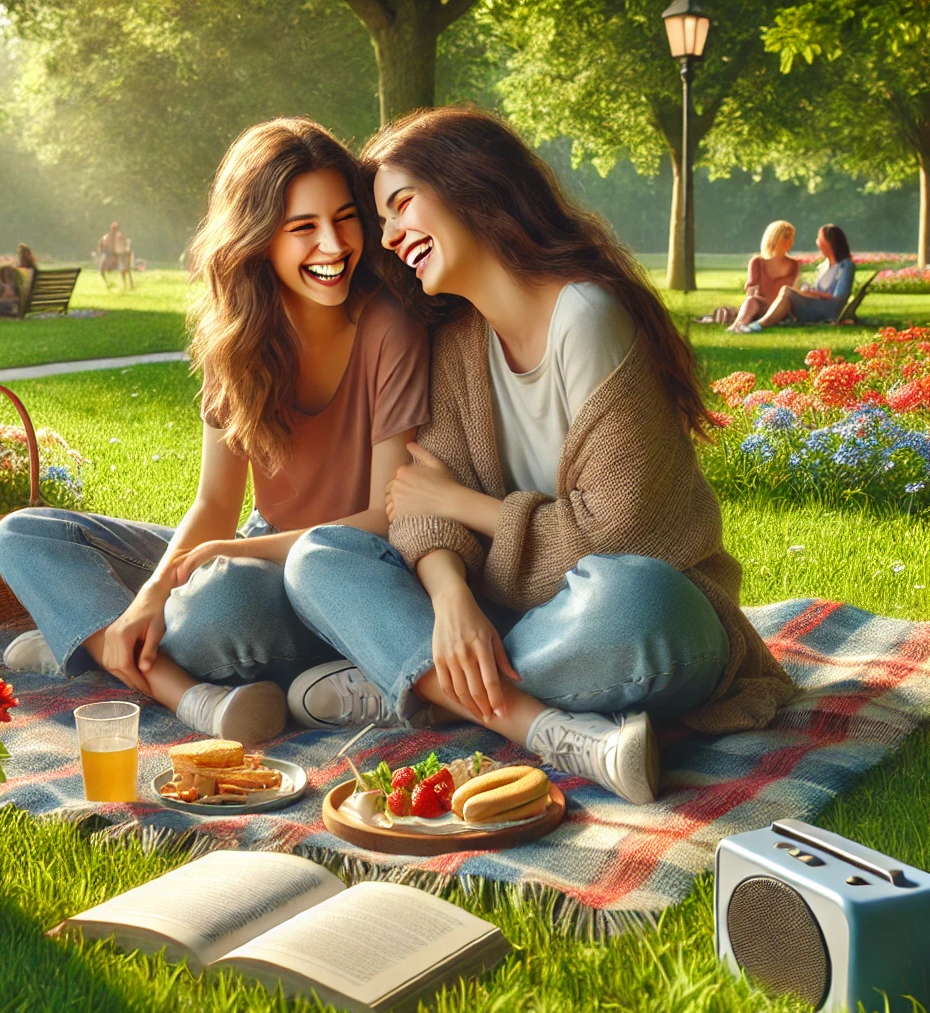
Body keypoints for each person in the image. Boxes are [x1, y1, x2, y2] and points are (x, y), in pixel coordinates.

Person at [282, 107, 795, 805]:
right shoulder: (457, 339)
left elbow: (618, 535)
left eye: (402, 204)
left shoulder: (587, 317)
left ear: (472, 185)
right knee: (321, 556)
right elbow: (415, 511)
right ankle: (547, 727)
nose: (393, 236)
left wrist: (465, 507)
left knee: (630, 600)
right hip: (516, 623)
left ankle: (409, 679)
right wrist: (452, 596)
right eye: (384, 222)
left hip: (652, 619)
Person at [0, 117, 431, 748]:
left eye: (344, 218)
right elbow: (216, 506)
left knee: (216, 613)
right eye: (303, 228)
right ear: (257, 240)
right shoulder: (240, 337)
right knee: (24, 535)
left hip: (341, 574)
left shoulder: (391, 327)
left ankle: (88, 638)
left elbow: (384, 519)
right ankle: (154, 667)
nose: (333, 245)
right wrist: (147, 597)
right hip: (249, 552)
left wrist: (226, 559)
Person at [742, 224, 855, 332]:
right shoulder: (823, 266)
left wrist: (814, 293)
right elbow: (817, 292)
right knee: (788, 292)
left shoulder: (846, 266)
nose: (817, 242)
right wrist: (807, 292)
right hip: (816, 304)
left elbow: (839, 297)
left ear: (829, 243)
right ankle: (758, 321)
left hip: (830, 310)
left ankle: (761, 324)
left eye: (819, 239)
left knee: (787, 290)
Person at [726, 221, 799, 331]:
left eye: (791, 236)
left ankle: (746, 325)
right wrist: (750, 301)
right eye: (785, 236)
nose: (790, 240)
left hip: (782, 308)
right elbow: (751, 288)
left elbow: (794, 290)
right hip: (762, 306)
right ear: (774, 238)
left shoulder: (793, 264)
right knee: (751, 300)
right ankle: (739, 325)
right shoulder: (757, 262)